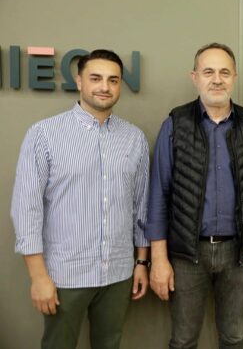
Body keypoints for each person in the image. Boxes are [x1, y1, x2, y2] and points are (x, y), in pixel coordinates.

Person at [10, 49, 150, 349]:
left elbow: (141, 206)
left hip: (118, 272)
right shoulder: (45, 134)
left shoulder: (134, 138)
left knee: (110, 344)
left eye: (113, 80)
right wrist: (38, 277)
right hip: (65, 275)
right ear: (79, 81)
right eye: (95, 78)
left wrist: (141, 262)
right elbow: (26, 209)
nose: (105, 87)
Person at [145, 42, 243, 349]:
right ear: (195, 77)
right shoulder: (175, 124)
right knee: (183, 340)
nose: (217, 79)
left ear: (234, 77)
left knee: (235, 337)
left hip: (239, 252)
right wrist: (159, 259)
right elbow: (159, 195)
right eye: (208, 72)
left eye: (224, 72)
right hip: (186, 253)